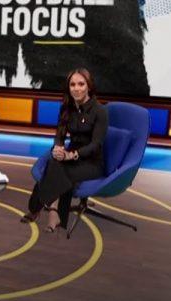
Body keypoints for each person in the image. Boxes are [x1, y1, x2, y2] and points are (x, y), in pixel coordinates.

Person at [22, 68, 108, 232]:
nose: (76, 88)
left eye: (81, 84)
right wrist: (58, 148)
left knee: (59, 170)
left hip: (92, 162)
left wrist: (73, 155)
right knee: (53, 162)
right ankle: (55, 213)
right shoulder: (66, 108)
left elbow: (96, 145)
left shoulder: (100, 111)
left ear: (89, 86)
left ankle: (38, 209)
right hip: (69, 156)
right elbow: (59, 136)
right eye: (72, 85)